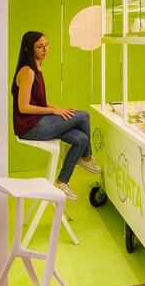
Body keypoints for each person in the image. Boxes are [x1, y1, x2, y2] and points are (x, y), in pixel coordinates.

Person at [12, 31, 101, 200]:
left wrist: (58, 109)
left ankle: (61, 182)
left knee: (81, 139)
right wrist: (54, 111)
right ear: (28, 50)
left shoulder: (37, 67)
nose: (45, 49)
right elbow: (23, 108)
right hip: (30, 127)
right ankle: (86, 157)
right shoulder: (28, 71)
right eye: (40, 47)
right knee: (83, 116)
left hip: (38, 122)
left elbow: (38, 103)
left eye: (46, 45)